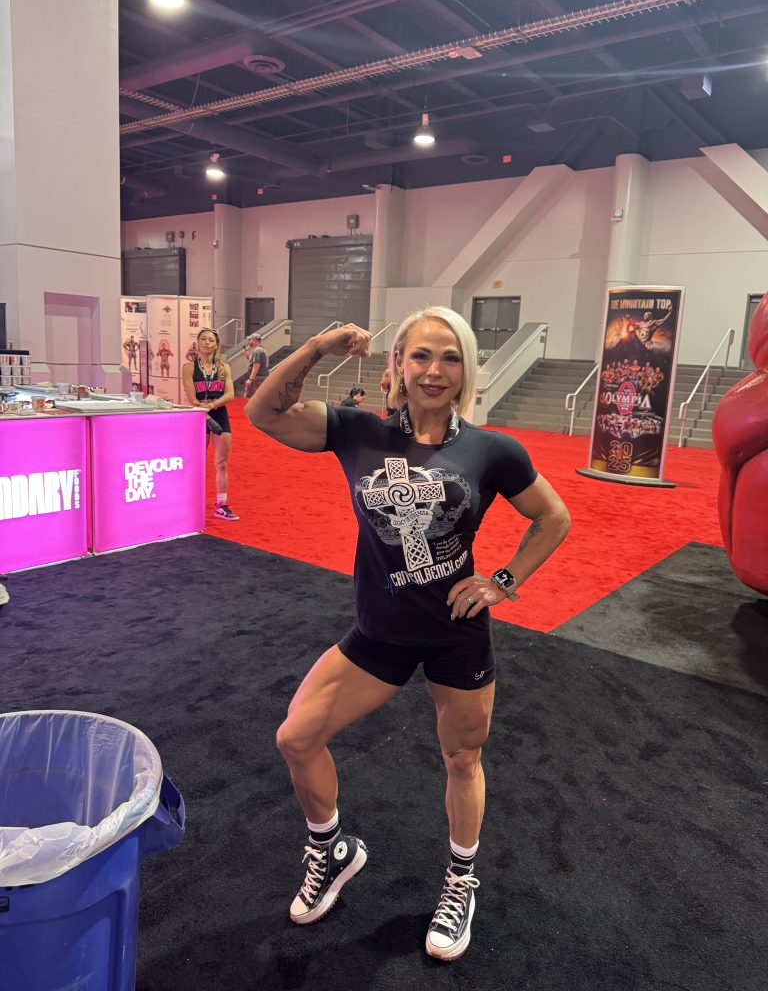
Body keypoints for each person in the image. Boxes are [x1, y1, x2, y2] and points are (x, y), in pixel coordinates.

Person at [245, 307, 570, 961]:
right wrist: (317, 345)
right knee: (296, 737)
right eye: (421, 355)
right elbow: (262, 412)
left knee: (462, 759)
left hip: (456, 633)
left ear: (466, 370)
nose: (434, 371)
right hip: (381, 632)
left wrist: (503, 581)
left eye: (450, 358)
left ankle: (460, 881)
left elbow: (553, 517)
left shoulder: (492, 450)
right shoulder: (357, 431)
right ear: (398, 362)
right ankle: (331, 849)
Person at [181, 327, 239, 520]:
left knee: (221, 463)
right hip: (199, 416)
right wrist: (203, 409)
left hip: (219, 413)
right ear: (197, 343)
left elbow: (230, 394)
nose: (207, 342)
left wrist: (212, 405)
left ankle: (222, 505)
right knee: (197, 462)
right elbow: (191, 396)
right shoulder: (189, 368)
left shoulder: (224, 368)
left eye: (211, 340)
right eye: (203, 339)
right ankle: (189, 502)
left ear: (216, 345)